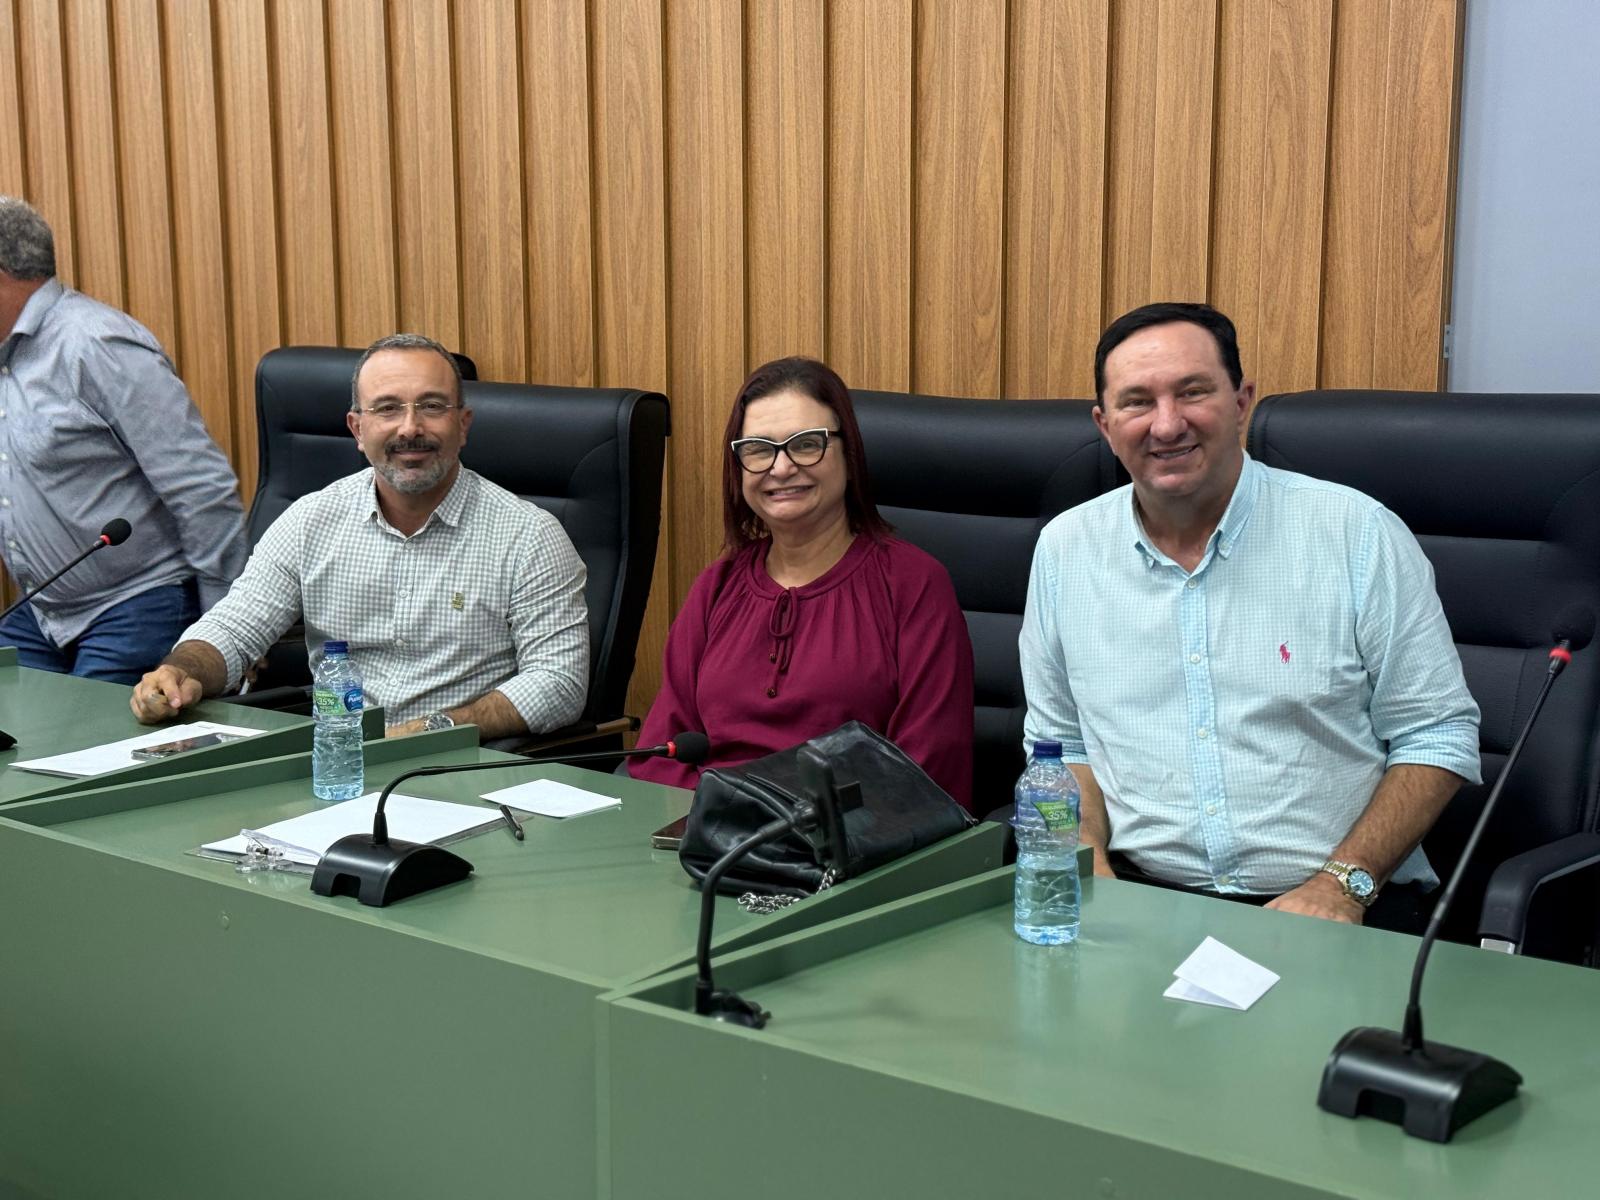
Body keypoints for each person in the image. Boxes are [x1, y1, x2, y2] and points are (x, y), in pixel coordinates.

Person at [1020, 302, 1480, 930]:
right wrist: (1085, 861)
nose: (1166, 424)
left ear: (1242, 401)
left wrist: (1343, 885)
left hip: (1337, 903)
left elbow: (1437, 735)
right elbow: (1060, 744)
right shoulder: (1064, 551)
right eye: (1137, 402)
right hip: (1139, 898)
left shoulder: (1356, 534)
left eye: (1193, 392)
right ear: (1104, 425)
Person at [130, 333, 589, 739]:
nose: (410, 427)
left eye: (431, 406)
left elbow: (559, 682)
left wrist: (433, 730)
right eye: (387, 408)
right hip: (339, 761)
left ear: (462, 425)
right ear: (357, 428)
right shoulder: (310, 520)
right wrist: (180, 670)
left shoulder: (528, 536)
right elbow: (235, 627)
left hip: (467, 764)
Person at [631, 356, 974, 807]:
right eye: (758, 448)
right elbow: (660, 757)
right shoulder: (716, 587)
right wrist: (721, 822)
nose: (781, 468)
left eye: (806, 444)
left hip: (854, 853)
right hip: (711, 843)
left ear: (848, 452)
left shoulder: (914, 586)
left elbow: (930, 771)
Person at [0, 196, 246, 682]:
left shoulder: (97, 344)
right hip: (41, 608)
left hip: (138, 603)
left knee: (85, 755)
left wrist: (224, 633)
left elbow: (201, 486)